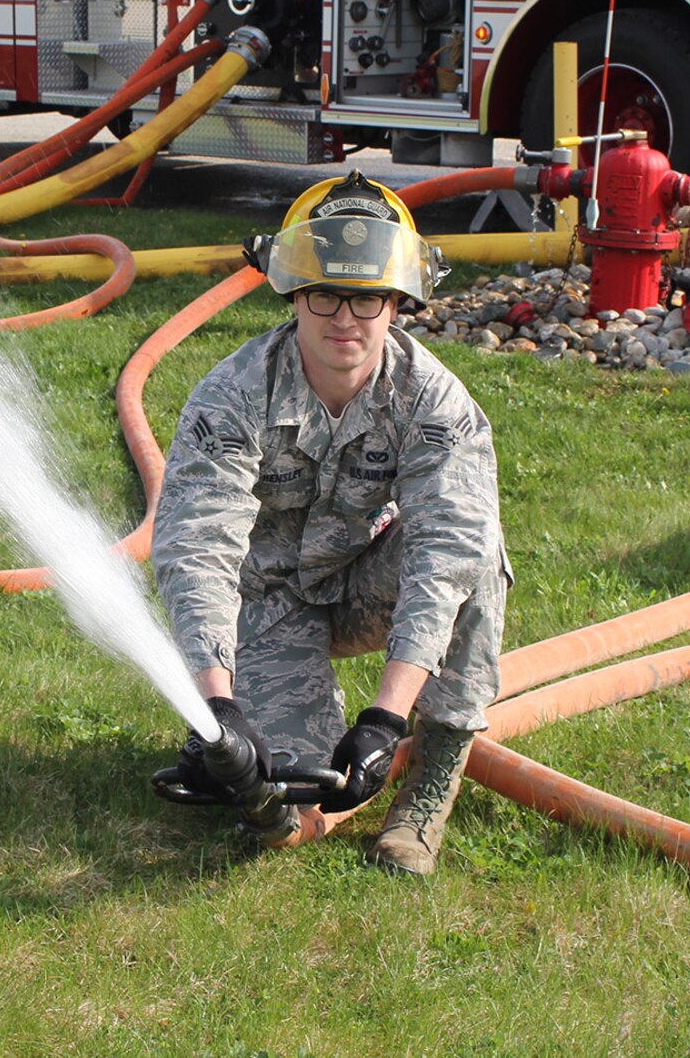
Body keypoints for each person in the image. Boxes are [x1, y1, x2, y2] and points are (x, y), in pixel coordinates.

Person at [151, 172, 509, 876]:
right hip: (268, 603)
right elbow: (199, 549)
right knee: (288, 809)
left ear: (397, 302)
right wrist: (220, 707)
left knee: (476, 555)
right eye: (324, 293)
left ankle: (426, 792)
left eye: (367, 295)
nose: (345, 317)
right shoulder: (231, 396)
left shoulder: (433, 399)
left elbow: (445, 552)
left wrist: (385, 718)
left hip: (364, 588)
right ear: (291, 294)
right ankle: (244, 729)